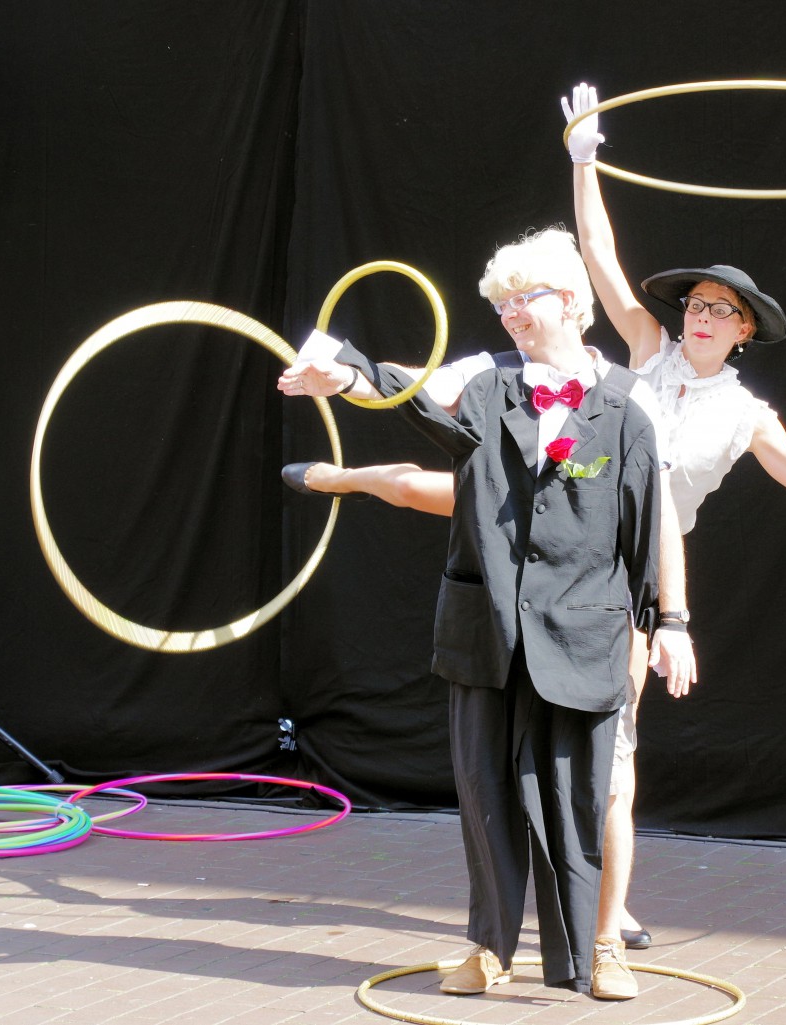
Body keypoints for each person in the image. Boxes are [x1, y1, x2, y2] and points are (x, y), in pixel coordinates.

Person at [280, 81, 786, 960]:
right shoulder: (646, 349)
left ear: (745, 330)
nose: (703, 317)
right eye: (697, 304)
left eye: (722, 311)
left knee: (615, 749)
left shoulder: (749, 416)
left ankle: (607, 915)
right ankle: (339, 464)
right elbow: (597, 255)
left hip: (621, 564)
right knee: (420, 481)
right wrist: (584, 157)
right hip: (550, 494)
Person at [278, 228, 694, 1001]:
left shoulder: (628, 403)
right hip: (490, 628)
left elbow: (652, 517)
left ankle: (603, 946)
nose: (510, 314)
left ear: (569, 301)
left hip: (588, 632)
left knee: (591, 794)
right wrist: (344, 375)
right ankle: (488, 945)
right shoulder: (485, 379)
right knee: (485, 793)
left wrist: (668, 619)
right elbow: (402, 389)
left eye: (523, 299)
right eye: (500, 303)